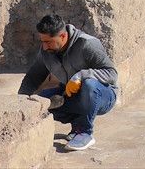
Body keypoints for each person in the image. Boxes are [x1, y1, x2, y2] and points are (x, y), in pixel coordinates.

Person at [17, 13, 118, 152]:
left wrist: (81, 75)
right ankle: (77, 125)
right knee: (40, 102)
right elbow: (33, 77)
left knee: (89, 85)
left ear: (63, 36)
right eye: (42, 42)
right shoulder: (46, 51)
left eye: (48, 42)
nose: (44, 47)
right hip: (70, 93)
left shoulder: (87, 44)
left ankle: (85, 132)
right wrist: (20, 102)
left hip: (102, 95)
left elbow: (112, 73)